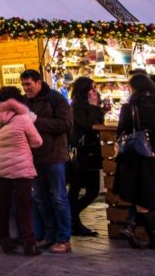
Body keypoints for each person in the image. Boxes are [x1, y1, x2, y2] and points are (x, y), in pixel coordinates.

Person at [0, 86, 43, 256]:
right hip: (20, 169)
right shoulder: (24, 119)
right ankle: (29, 243)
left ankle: (4, 240)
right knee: (23, 206)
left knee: (2, 205)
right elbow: (37, 141)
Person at [20, 69, 74, 253]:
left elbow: (66, 124)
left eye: (29, 84)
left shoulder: (55, 99)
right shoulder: (25, 101)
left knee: (59, 198)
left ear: (39, 82)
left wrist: (36, 121)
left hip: (54, 156)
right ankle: (49, 235)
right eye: (24, 85)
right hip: (34, 157)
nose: (26, 88)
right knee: (41, 198)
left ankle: (64, 239)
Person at [114, 72, 155, 248]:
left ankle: (144, 232)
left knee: (141, 198)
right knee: (148, 197)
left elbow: (121, 131)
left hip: (135, 158)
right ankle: (142, 232)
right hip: (153, 156)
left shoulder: (128, 108)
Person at [68, 76, 104, 237]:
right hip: (81, 154)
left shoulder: (88, 105)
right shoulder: (76, 107)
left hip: (90, 153)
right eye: (92, 87)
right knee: (77, 189)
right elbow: (90, 126)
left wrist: (95, 107)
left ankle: (71, 218)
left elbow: (98, 123)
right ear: (84, 90)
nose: (95, 91)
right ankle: (72, 220)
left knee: (92, 191)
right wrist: (94, 106)